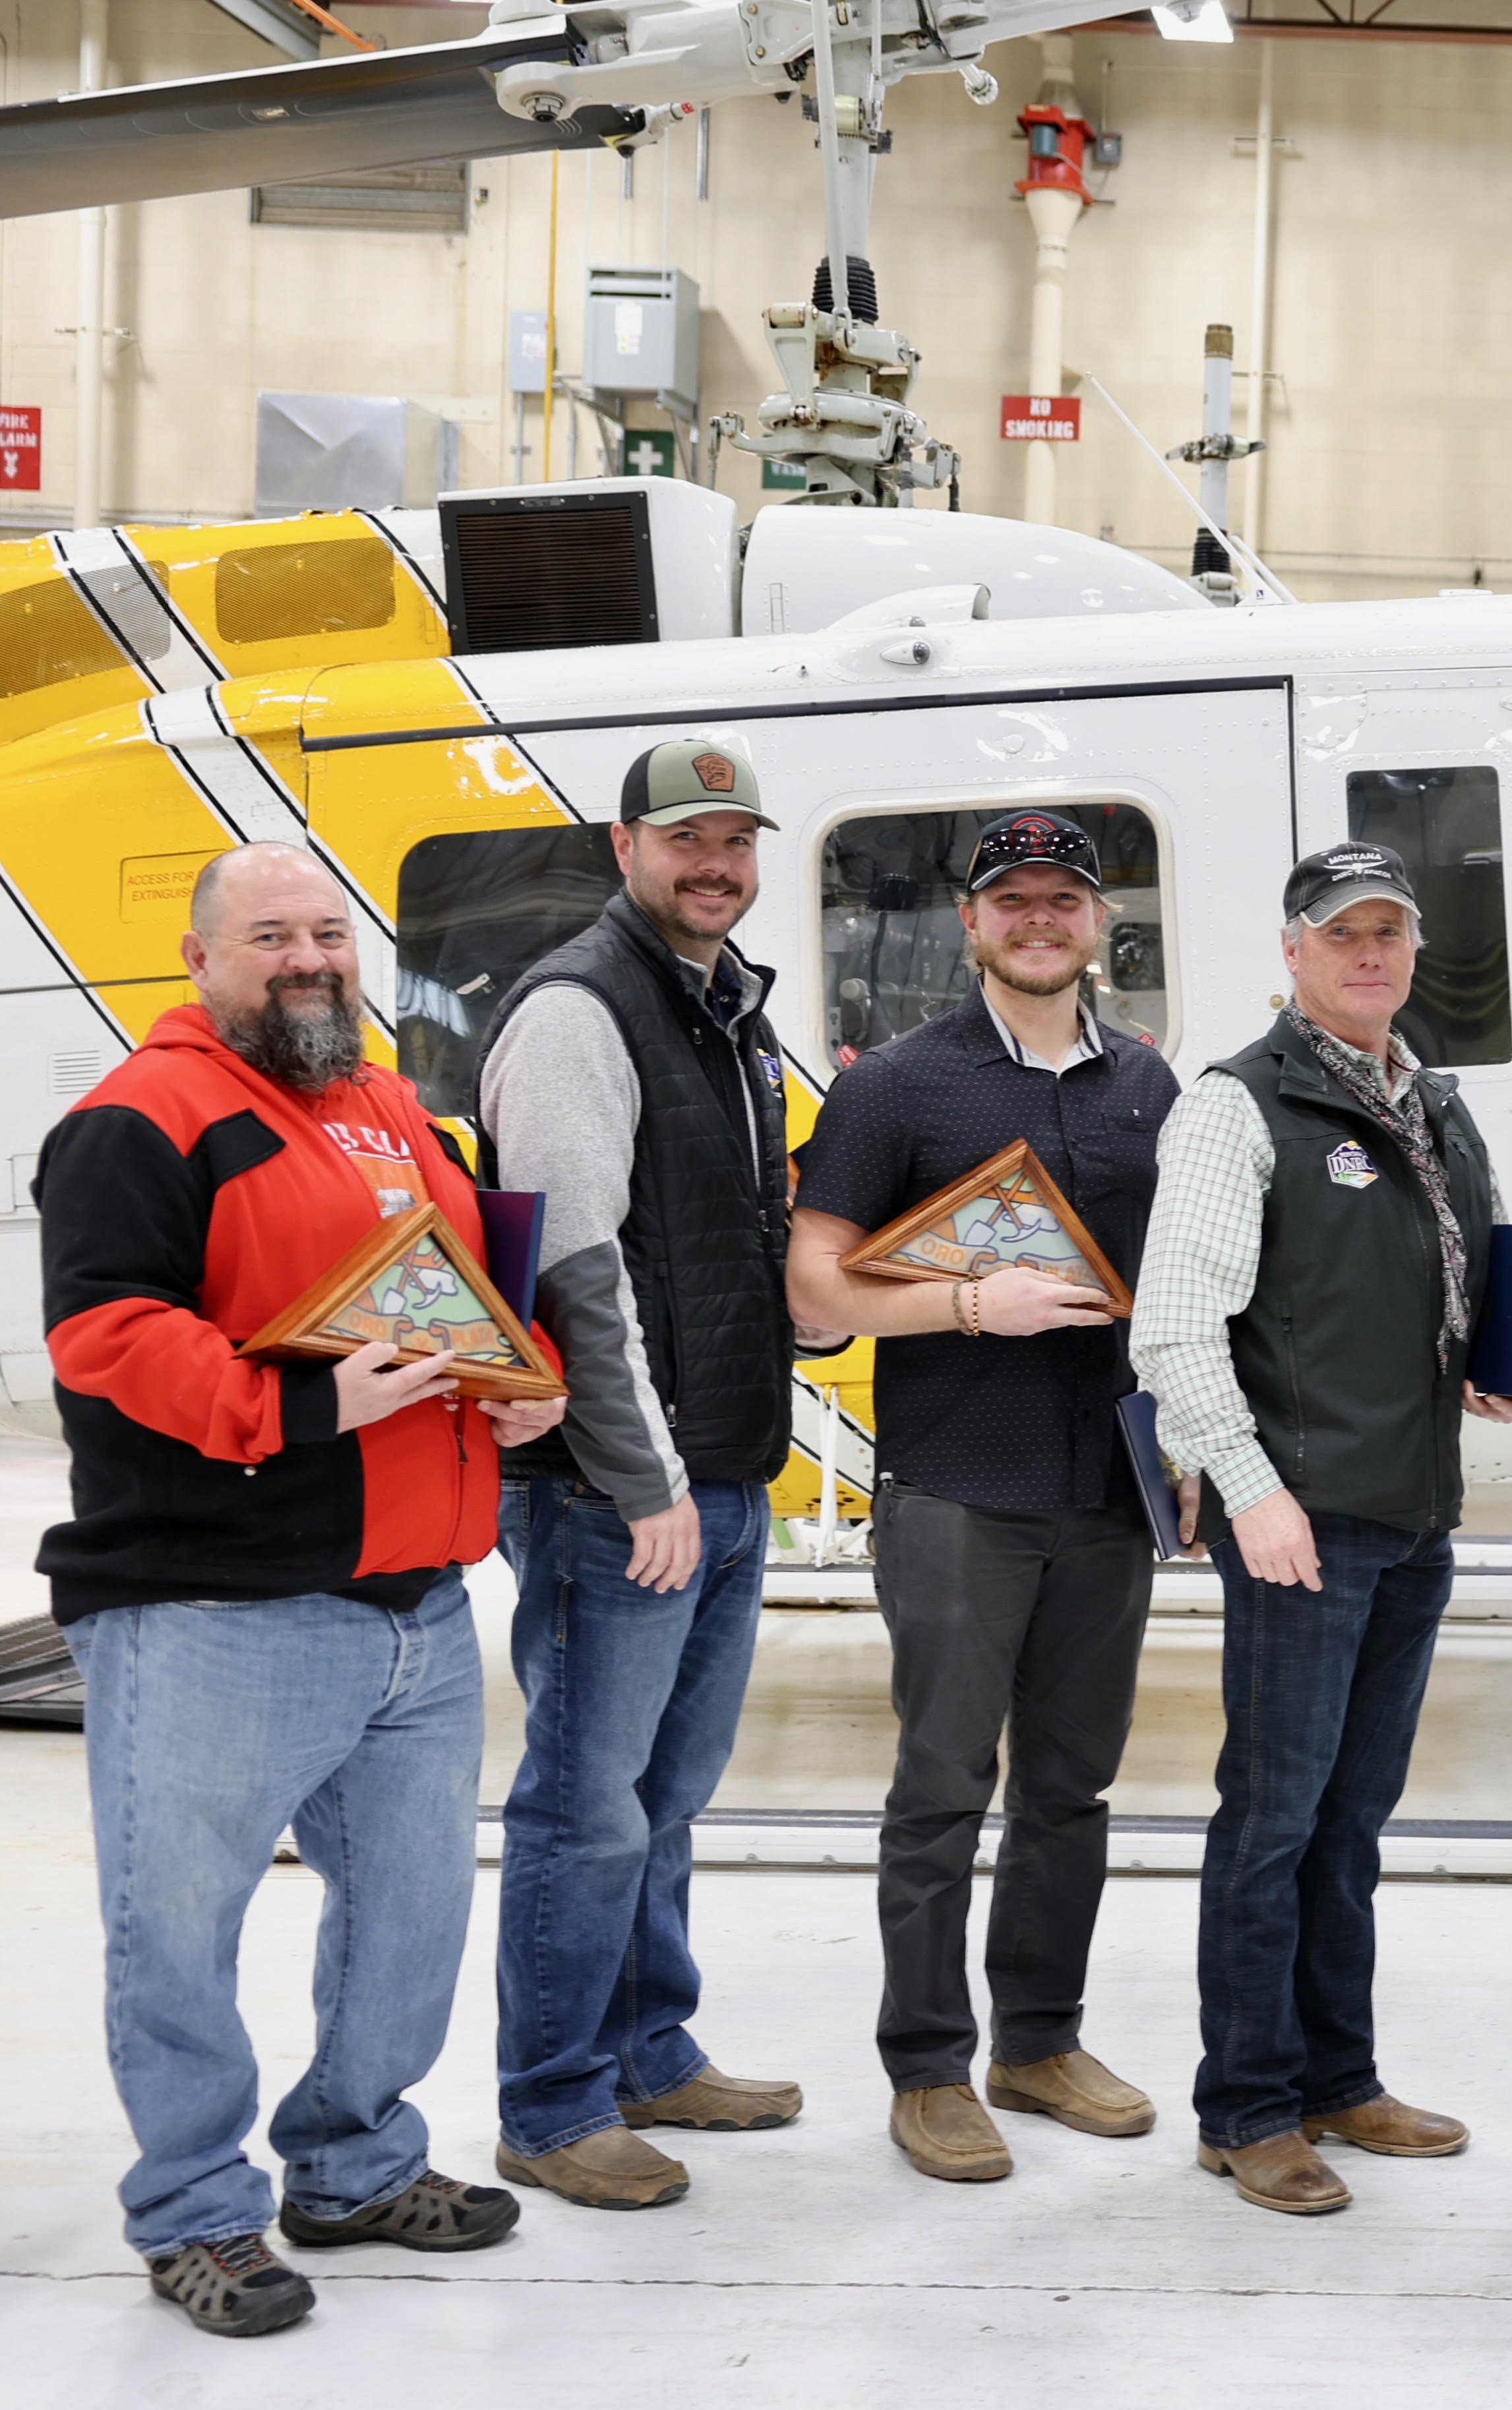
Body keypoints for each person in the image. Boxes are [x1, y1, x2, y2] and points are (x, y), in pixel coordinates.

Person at [41, 844, 562, 2335]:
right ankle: (199, 2210)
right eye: (270, 934)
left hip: (415, 1605)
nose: (308, 956)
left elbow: (475, 1297)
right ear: (201, 959)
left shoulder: (396, 1110)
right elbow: (108, 1332)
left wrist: (532, 1388)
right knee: (179, 1924)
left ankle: (351, 2165)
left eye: (328, 930)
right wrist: (306, 1406)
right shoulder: (140, 1119)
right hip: (214, 1607)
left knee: (408, 1914)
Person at [1128, 841, 1512, 2216]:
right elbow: (1173, 1327)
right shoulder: (1238, 1108)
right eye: (1342, 934)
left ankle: (1337, 2075)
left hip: (1411, 1513)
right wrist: (1252, 1492)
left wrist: (1475, 1357)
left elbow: (1433, 1276)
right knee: (1275, 1820)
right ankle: (1244, 2108)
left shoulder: (1432, 1103)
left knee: (1352, 1819)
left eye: (1391, 934)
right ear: (1293, 951)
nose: (1371, 955)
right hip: (1305, 1519)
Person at [787, 811, 1180, 2184]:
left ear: (1095, 921)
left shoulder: (1149, 1082)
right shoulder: (897, 1087)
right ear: (970, 924)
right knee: (944, 1782)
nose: (1037, 917)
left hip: (1109, 1490)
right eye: (1009, 897)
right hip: (957, 1486)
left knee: (1073, 1785)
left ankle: (1040, 2039)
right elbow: (815, 1285)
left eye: (1060, 897)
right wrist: (969, 1301)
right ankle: (928, 2066)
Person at [474, 735, 808, 2211]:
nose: (716, 862)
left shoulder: (724, 1007)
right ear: (625, 848)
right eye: (687, 838)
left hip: (722, 1471)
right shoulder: (577, 1010)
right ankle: (551, 2104)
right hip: (623, 1495)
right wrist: (645, 1478)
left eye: (735, 838)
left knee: (667, 1794)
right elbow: (571, 1262)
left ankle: (649, 2049)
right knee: (583, 1805)